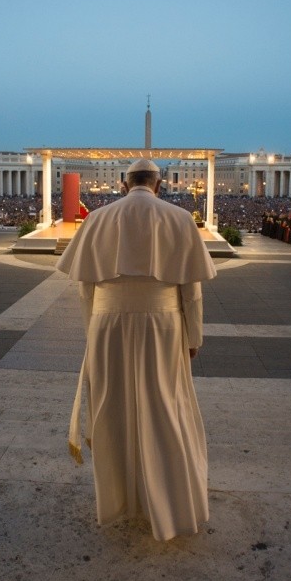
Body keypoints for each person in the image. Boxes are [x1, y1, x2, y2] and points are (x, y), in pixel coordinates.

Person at [56, 159, 217, 541]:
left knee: (113, 410)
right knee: (165, 407)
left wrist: (92, 332)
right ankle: (166, 504)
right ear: (159, 185)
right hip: (163, 326)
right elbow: (191, 292)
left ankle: (120, 501)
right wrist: (193, 338)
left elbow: (85, 289)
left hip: (107, 325)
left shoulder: (97, 219)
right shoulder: (179, 219)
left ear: (124, 186)